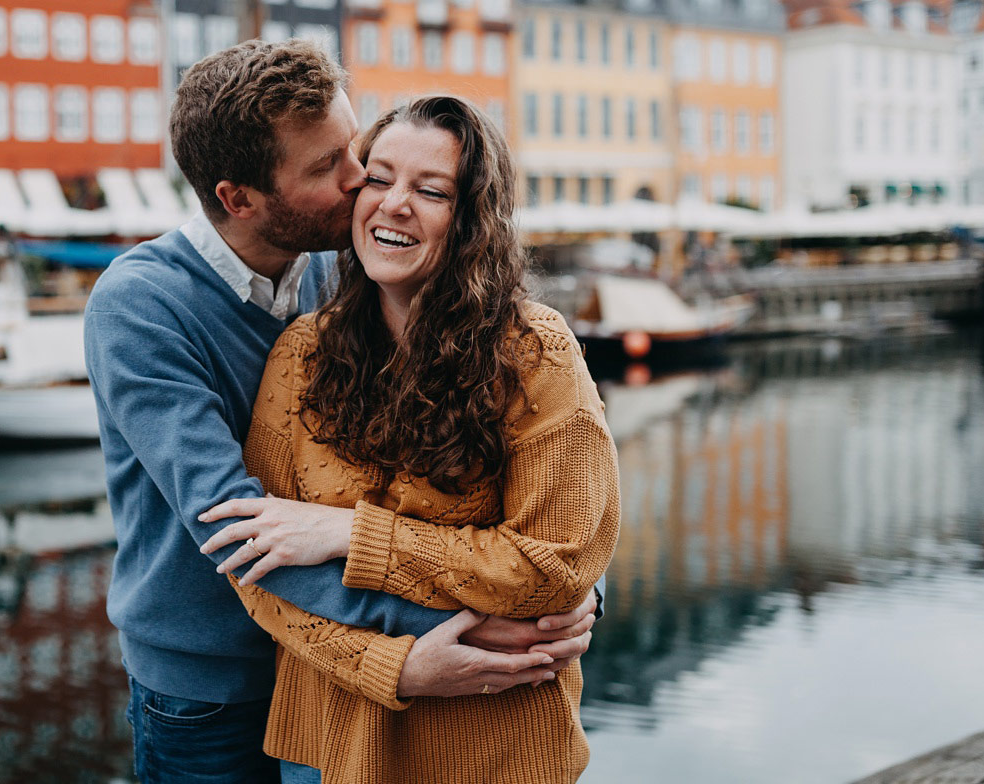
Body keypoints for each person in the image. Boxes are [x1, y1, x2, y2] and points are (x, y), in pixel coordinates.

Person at [84, 41, 600, 784]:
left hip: (330, 676)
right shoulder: (142, 307)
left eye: (353, 149)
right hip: (211, 684)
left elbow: (557, 501)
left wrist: (568, 598)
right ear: (240, 199)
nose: (363, 182)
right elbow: (234, 524)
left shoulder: (346, 268)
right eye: (331, 168)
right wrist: (432, 644)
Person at [197, 95, 621, 783]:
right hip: (325, 751)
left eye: (431, 191)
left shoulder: (534, 352)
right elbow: (257, 568)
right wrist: (397, 668)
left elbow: (557, 566)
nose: (394, 204)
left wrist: (343, 535)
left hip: (490, 751)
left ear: (472, 220)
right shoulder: (301, 352)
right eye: (379, 177)